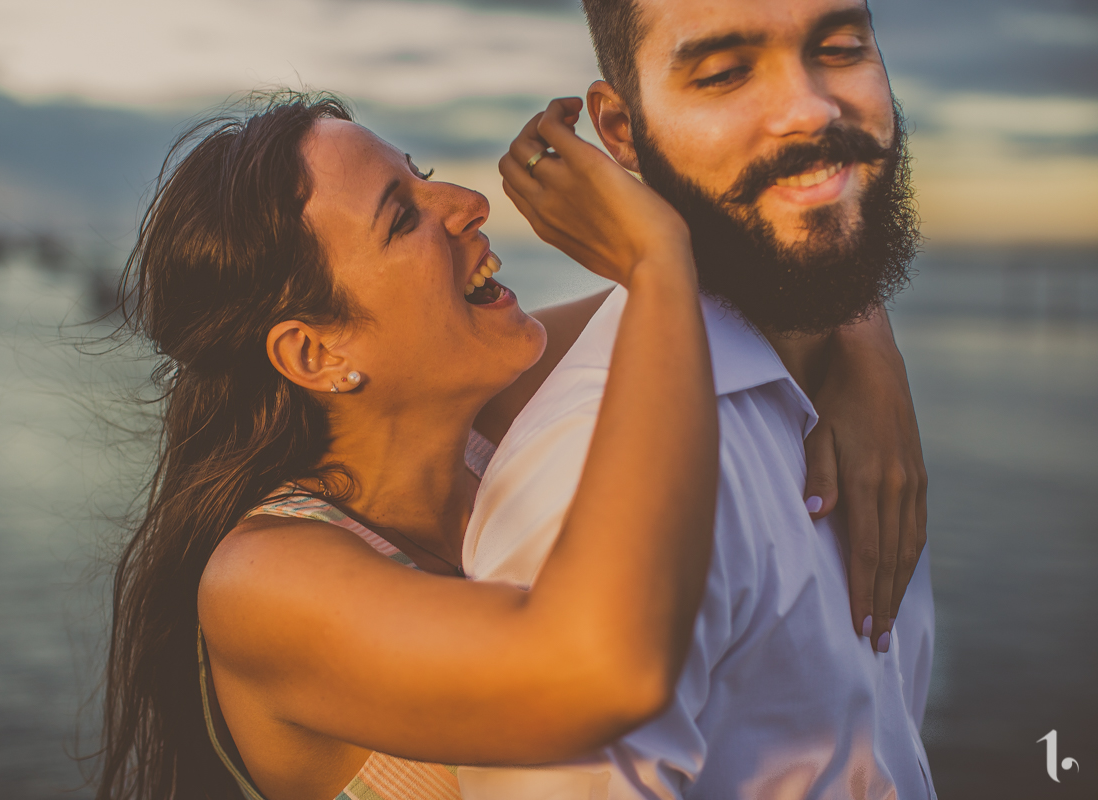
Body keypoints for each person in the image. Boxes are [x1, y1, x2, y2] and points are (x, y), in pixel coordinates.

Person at [95, 97, 924, 800]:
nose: (463, 200)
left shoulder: (485, 423)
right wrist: (654, 259)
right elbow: (605, 676)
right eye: (401, 216)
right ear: (318, 355)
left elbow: (758, 284)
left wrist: (866, 343)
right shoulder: (263, 584)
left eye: (421, 173)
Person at [456, 0, 935, 798]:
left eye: (842, 47)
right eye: (723, 73)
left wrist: (862, 329)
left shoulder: (846, 398)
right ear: (619, 132)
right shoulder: (587, 476)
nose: (809, 108)